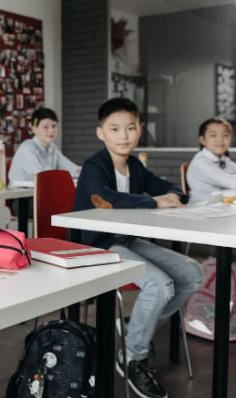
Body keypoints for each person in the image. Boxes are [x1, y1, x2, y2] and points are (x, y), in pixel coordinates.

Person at [72, 98, 202, 398]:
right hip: (96, 244)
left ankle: (134, 328)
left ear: (139, 130)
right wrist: (156, 201)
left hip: (126, 239)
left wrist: (174, 194)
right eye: (115, 128)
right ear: (100, 133)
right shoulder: (95, 166)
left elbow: (169, 187)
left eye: (130, 128)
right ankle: (134, 358)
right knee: (159, 285)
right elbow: (104, 199)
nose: (124, 135)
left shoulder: (134, 166)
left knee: (192, 272)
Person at [7, 107, 80, 217]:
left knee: (77, 207)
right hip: (23, 201)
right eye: (46, 127)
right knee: (67, 209)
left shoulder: (53, 149)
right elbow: (44, 174)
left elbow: (71, 168)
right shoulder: (26, 148)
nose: (51, 130)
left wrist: (87, 172)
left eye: (54, 126)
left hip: (45, 197)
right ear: (34, 129)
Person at [186, 117, 236, 202]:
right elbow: (232, 182)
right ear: (202, 140)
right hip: (202, 209)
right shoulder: (200, 162)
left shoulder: (223, 159)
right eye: (213, 135)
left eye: (225, 135)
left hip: (222, 207)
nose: (220, 139)